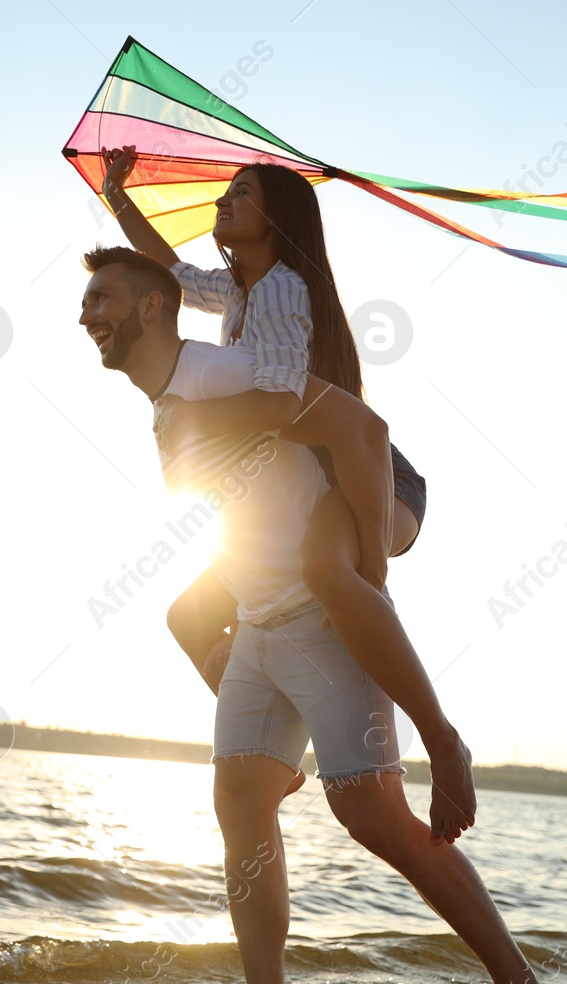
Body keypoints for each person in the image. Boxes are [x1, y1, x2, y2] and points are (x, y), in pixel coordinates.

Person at [77, 244, 561, 984]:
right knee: (240, 804)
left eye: (102, 299)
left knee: (373, 816)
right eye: (86, 301)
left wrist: (361, 568)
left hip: (322, 622)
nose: (86, 315)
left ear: (152, 307)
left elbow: (361, 427)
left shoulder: (228, 373)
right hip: (259, 632)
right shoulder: (170, 400)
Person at [98, 147, 476, 840]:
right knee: (189, 616)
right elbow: (170, 271)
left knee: (327, 571)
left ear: (279, 217)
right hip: (322, 474)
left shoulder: (281, 288)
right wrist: (119, 196)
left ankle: (443, 742)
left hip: (370, 476)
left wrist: (374, 571)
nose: (224, 200)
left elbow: (287, 407)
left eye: (241, 192)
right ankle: (279, 754)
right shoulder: (241, 290)